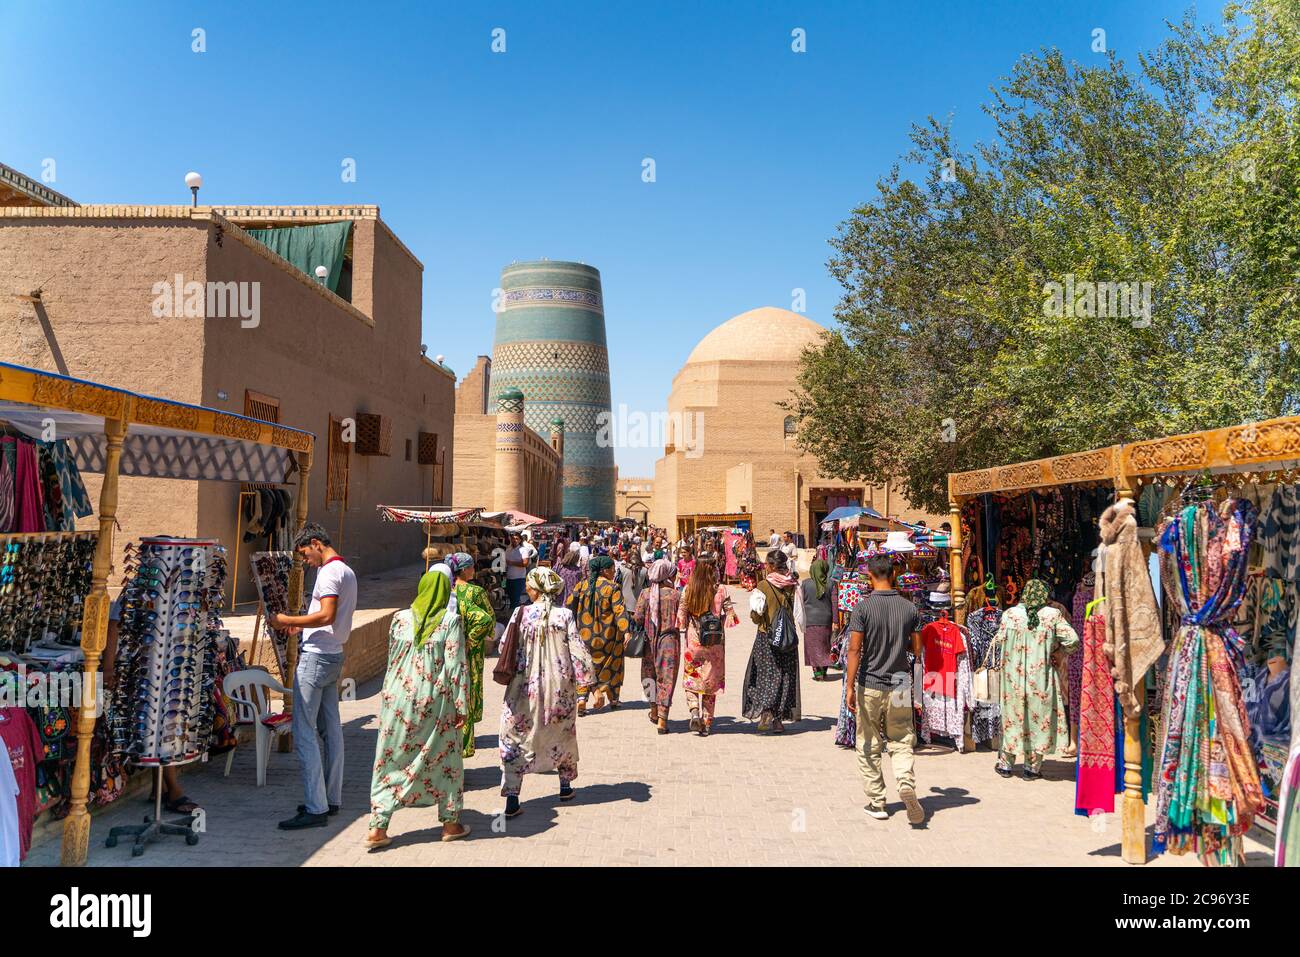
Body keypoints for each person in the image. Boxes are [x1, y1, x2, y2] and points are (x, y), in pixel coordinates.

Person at [364, 564, 470, 849]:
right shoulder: (450, 622)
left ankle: (378, 826)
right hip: (435, 700)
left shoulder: (398, 619)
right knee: (447, 758)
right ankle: (450, 823)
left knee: (390, 759)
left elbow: (392, 659)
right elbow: (456, 666)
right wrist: (462, 706)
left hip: (396, 697)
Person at [270, 524, 357, 830]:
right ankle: (330, 799)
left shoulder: (330, 573)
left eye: (306, 554)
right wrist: (302, 628)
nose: (306, 561)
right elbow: (326, 621)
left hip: (316, 660)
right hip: (332, 655)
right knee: (332, 729)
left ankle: (315, 806)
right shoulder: (346, 571)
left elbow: (327, 615)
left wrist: (287, 620)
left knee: (304, 732)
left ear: (316, 544)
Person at [500, 567, 594, 816]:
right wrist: (586, 682)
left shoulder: (520, 614)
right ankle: (565, 787)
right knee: (562, 732)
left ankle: (512, 798)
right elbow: (577, 651)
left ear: (538, 588)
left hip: (523, 686)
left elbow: (503, 646)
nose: (527, 590)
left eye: (530, 586)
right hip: (559, 686)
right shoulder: (565, 615)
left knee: (515, 736)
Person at [844, 553, 925, 824]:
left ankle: (877, 802)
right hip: (901, 681)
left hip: (871, 682)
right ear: (893, 576)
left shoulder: (863, 609)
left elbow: (855, 649)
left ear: (870, 576)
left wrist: (850, 687)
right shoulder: (910, 609)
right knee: (901, 739)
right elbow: (917, 649)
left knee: (869, 743)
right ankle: (905, 783)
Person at [103, 598, 199, 815]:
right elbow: (113, 627)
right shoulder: (136, 593)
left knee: (159, 726)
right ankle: (174, 790)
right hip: (138, 673)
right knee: (158, 727)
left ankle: (159, 789)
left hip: (159, 673)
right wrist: (108, 667)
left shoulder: (176, 595)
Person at [994, 578, 1079, 779]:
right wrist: (1058, 653)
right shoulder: (1053, 615)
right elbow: (1073, 640)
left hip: (1012, 679)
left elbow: (998, 642)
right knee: (1038, 718)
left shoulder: (1010, 615)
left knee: (1012, 718)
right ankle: (1031, 769)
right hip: (1040, 678)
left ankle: (1006, 764)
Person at [742, 549, 801, 733]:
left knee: (764, 675)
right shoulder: (793, 584)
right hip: (788, 639)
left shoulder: (763, 585)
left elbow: (756, 617)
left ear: (773, 566)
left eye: (767, 564)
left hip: (766, 638)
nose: (765, 567)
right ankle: (778, 720)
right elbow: (799, 613)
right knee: (785, 676)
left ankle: (766, 710)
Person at [678, 556, 737, 736]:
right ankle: (707, 722)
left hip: (694, 640)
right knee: (711, 683)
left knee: (692, 677)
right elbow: (730, 616)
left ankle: (694, 710)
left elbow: (681, 614)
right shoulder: (721, 589)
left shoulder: (689, 588)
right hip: (715, 643)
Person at [566, 555, 631, 713]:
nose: (614, 571)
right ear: (605, 570)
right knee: (613, 665)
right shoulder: (612, 587)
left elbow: (569, 604)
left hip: (584, 634)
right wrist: (626, 630)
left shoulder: (581, 586)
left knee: (584, 666)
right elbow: (619, 611)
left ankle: (581, 699)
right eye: (612, 569)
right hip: (608, 636)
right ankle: (613, 699)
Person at [448, 553, 494, 758]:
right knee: (467, 692)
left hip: (446, 650)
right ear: (465, 569)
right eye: (472, 566)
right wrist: (472, 640)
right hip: (470, 653)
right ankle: (465, 743)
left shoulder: (444, 590)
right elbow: (488, 620)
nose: (474, 569)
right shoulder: (475, 592)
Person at [635, 559, 681, 735]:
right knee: (666, 679)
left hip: (648, 641)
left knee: (648, 675)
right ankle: (663, 718)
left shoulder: (646, 594)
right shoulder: (676, 595)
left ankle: (653, 709)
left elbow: (638, 618)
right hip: (669, 641)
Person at [796, 558, 836, 680]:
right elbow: (835, 603)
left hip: (810, 621)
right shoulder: (831, 583)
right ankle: (824, 671)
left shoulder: (805, 584)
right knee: (825, 647)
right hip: (826, 621)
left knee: (813, 647)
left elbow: (800, 602)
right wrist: (836, 621)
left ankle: (817, 674)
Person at [503, 533, 534, 609]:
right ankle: (513, 615)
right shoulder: (508, 549)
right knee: (511, 599)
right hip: (509, 577)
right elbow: (505, 562)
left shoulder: (523, 550)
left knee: (515, 600)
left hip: (519, 578)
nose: (515, 540)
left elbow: (525, 563)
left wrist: (511, 563)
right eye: (513, 538)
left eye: (517, 539)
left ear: (520, 540)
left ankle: (514, 617)